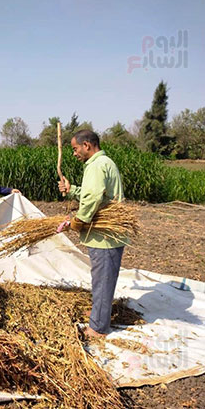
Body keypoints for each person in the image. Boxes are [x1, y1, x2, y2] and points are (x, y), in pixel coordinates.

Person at [57, 130, 127, 338]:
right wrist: (71, 189)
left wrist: (77, 221)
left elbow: (92, 199)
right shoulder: (100, 164)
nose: (74, 153)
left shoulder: (97, 166)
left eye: (75, 148)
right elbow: (92, 193)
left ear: (87, 145)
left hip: (105, 237)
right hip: (103, 235)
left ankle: (97, 327)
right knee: (100, 278)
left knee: (103, 279)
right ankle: (99, 313)